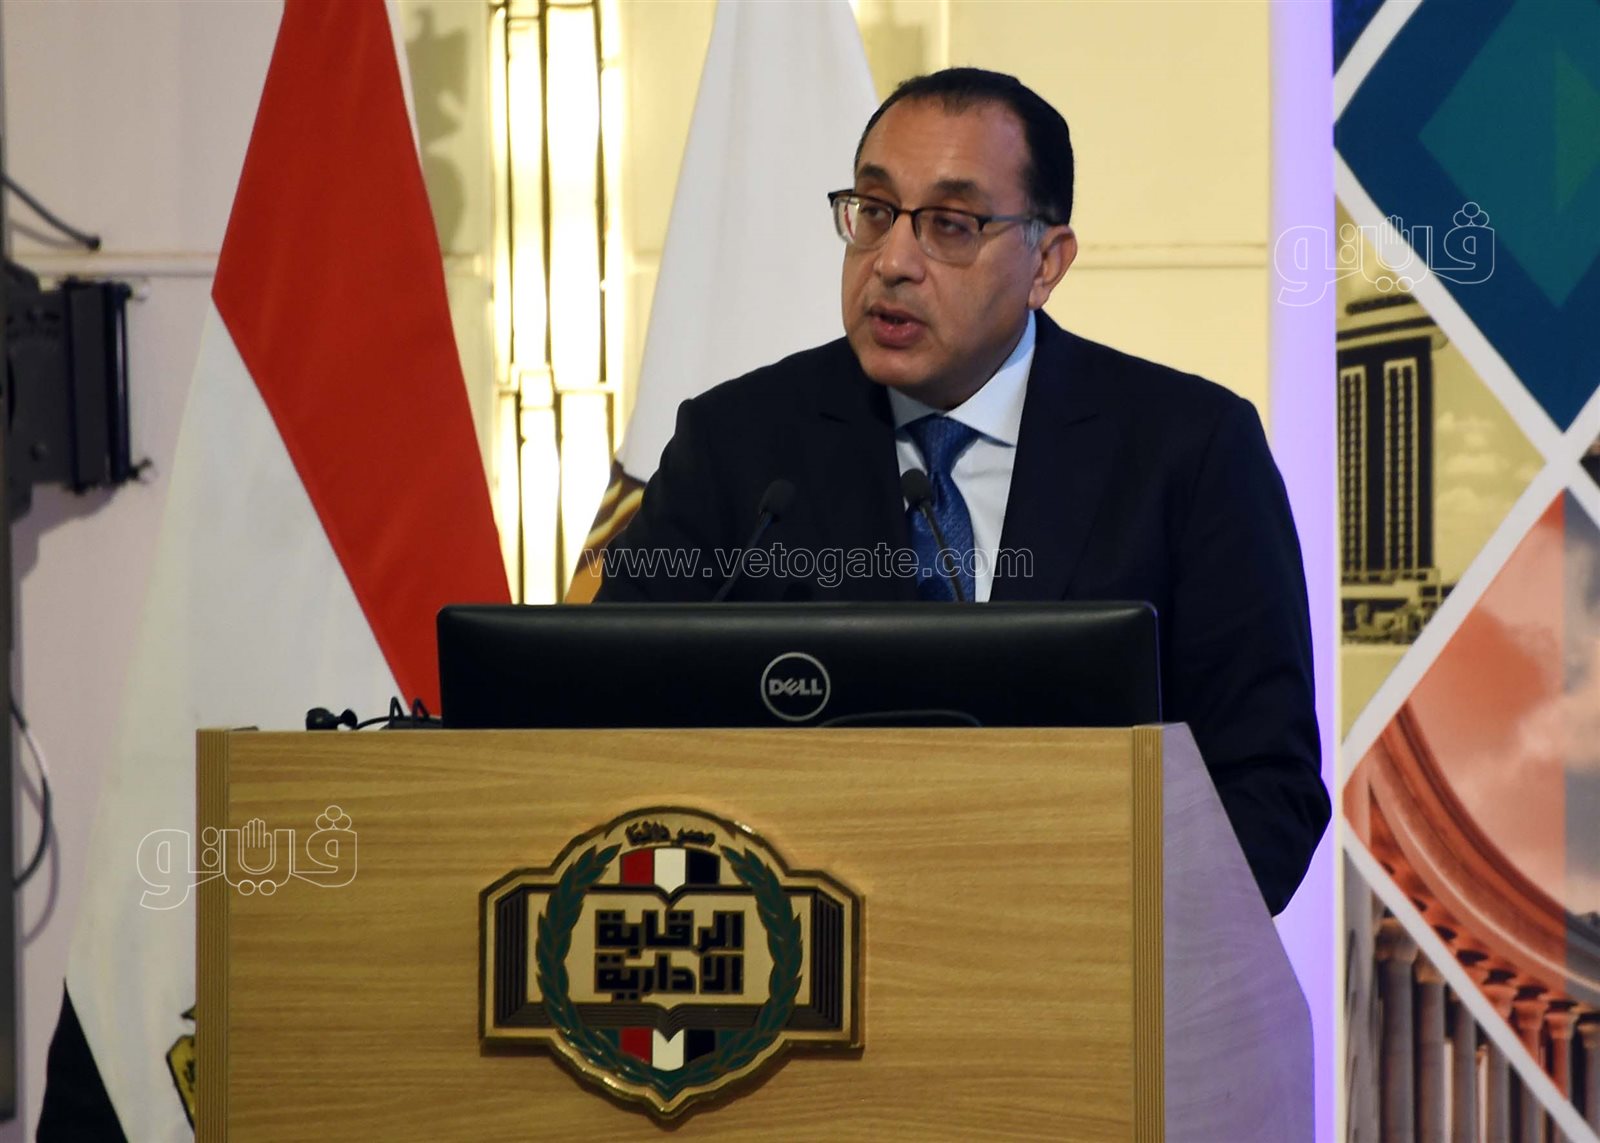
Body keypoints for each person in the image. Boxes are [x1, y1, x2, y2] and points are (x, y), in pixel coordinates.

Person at [596, 68, 1328, 915]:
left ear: (1046, 262)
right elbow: (604, 714)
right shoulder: (739, 443)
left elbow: (1266, 785)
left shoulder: (1188, 450)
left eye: (951, 225)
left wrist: (1098, 934)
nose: (892, 262)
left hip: (1077, 961)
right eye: (875, 211)